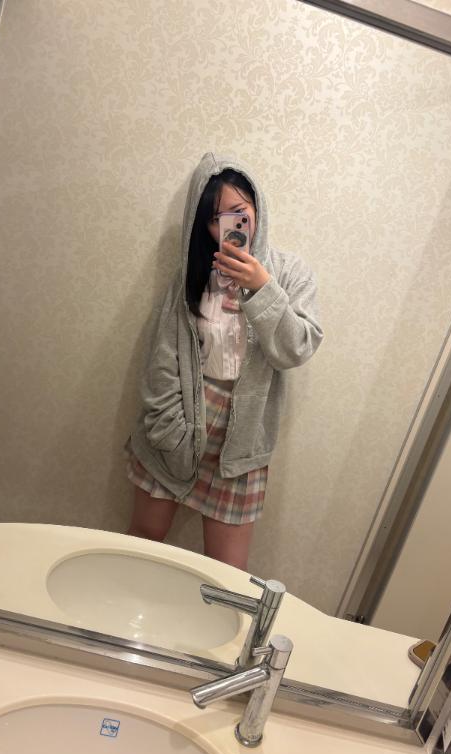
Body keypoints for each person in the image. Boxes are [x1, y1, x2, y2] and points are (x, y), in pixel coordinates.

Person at [125, 152, 323, 570]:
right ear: (205, 226)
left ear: (257, 206)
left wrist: (262, 288)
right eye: (217, 218)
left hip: (240, 447)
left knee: (227, 574)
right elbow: (162, 355)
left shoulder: (290, 274)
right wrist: (170, 429)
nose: (231, 225)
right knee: (142, 547)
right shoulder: (193, 273)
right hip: (177, 428)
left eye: (240, 211)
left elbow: (296, 349)